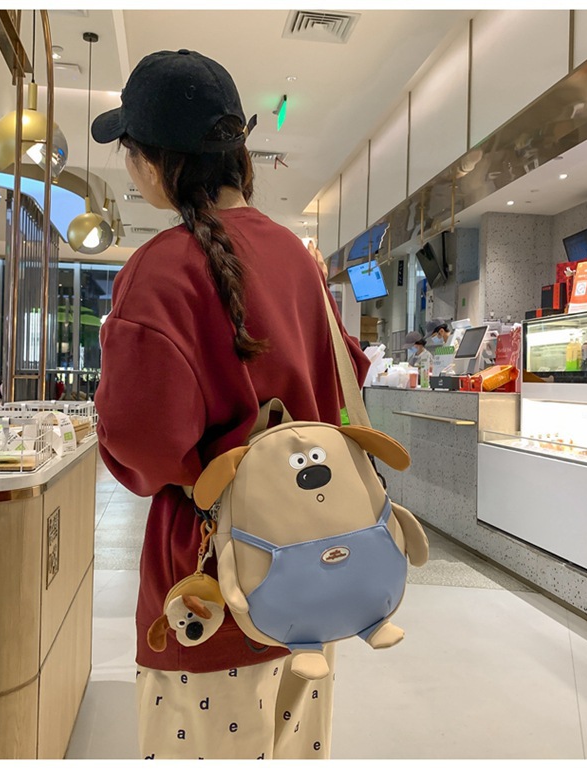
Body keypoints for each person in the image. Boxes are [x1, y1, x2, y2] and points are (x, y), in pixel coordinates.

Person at [90, 49, 369, 760]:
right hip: (314, 575)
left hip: (208, 582)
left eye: (131, 151)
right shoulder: (300, 260)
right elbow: (348, 378)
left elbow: (140, 439)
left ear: (157, 162)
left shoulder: (159, 271)